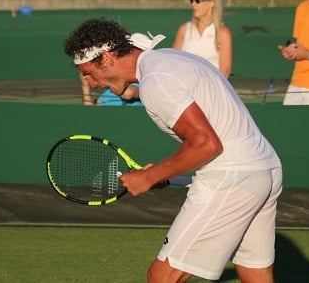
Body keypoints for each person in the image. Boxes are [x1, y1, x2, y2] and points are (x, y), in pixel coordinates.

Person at [64, 19, 282, 283]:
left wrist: (150, 177)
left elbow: (206, 144)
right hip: (265, 170)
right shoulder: (170, 61)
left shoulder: (157, 80)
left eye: (88, 73)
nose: (90, 83)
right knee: (254, 273)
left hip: (233, 177)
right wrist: (163, 173)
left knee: (162, 278)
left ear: (107, 59)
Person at [172, 0, 233, 77]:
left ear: (212, 2)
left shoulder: (223, 33)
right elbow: (173, 63)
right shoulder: (184, 30)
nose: (193, 4)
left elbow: (225, 71)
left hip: (211, 89)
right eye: (191, 0)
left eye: (197, 0)